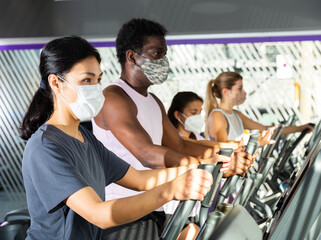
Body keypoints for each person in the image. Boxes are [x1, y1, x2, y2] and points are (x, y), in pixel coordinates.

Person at [20, 36, 217, 240]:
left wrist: (200, 168)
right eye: (86, 80)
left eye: (98, 80)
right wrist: (170, 191)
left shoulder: (84, 137)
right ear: (56, 83)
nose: (96, 88)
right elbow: (99, 214)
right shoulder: (45, 148)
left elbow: (140, 180)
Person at [93, 19, 253, 239]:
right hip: (124, 214)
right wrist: (207, 167)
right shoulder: (114, 97)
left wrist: (222, 158)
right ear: (132, 57)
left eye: (164, 54)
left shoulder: (153, 101)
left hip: (153, 207)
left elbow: (179, 144)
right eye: (156, 53)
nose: (163, 61)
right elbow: (147, 153)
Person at [204, 71, 314, 142]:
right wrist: (256, 144)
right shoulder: (218, 116)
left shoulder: (236, 114)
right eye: (239, 88)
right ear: (226, 91)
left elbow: (265, 129)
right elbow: (224, 146)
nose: (244, 92)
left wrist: (299, 128)